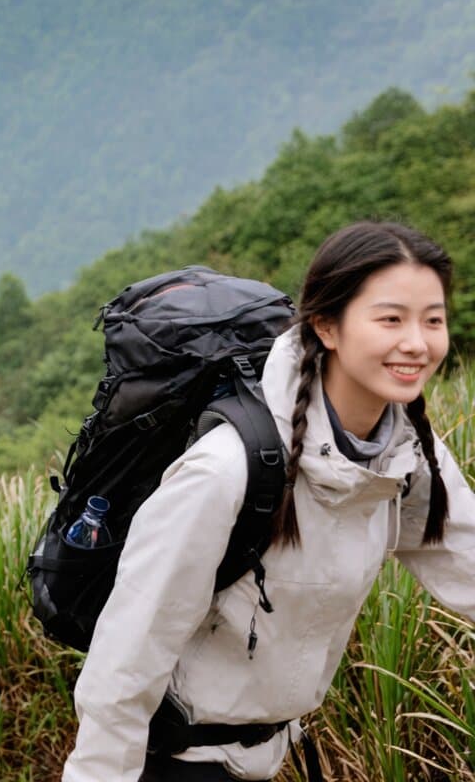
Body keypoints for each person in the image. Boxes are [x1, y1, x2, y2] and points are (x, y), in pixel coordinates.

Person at [63, 220, 475, 782]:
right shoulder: (226, 470)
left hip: (271, 754)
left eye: (433, 319)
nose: (417, 342)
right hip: (177, 765)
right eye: (390, 319)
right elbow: (127, 658)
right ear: (327, 326)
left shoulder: (404, 456)